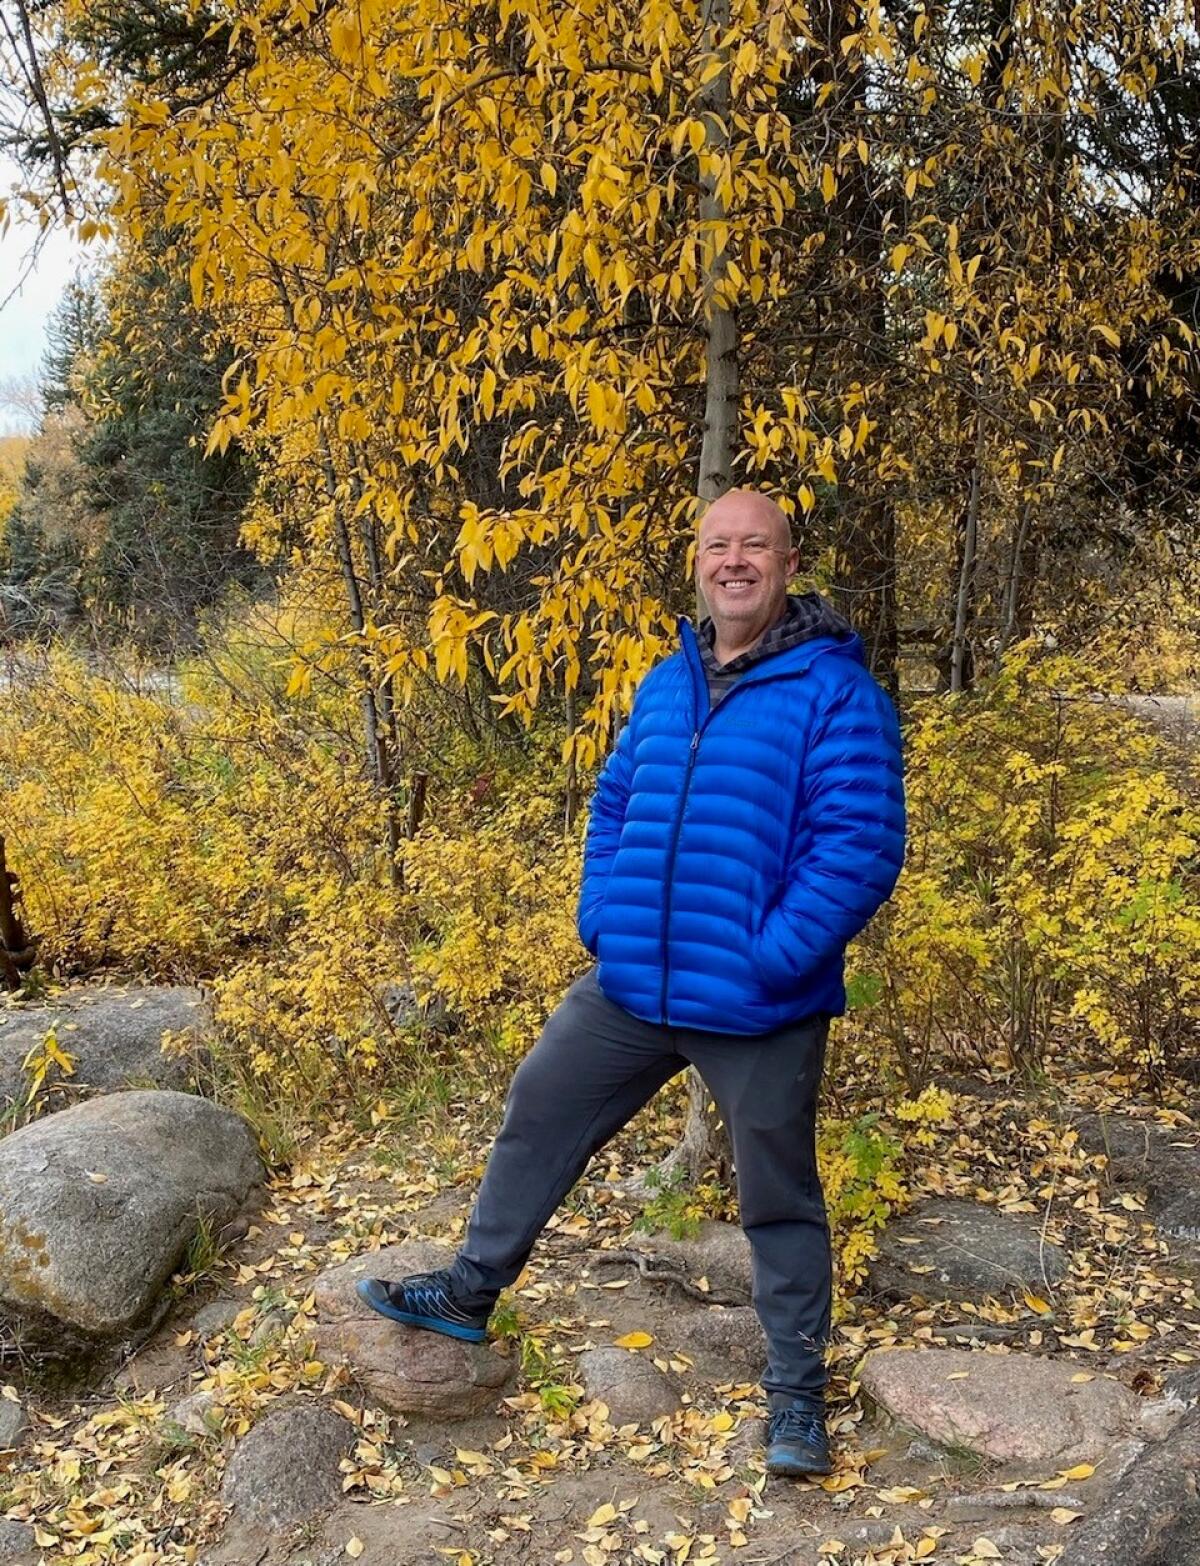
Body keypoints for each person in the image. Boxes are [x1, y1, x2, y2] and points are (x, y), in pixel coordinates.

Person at [357, 488, 907, 1476]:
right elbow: (613, 801)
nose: (733, 561)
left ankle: (795, 1404)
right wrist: (601, 919)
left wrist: (775, 956)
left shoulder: (835, 692)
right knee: (538, 1104)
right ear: (699, 564)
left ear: (787, 566)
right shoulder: (668, 681)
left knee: (779, 1196)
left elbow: (859, 848)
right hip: (634, 982)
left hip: (758, 1000)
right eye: (716, 546)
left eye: (755, 547)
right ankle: (471, 1295)